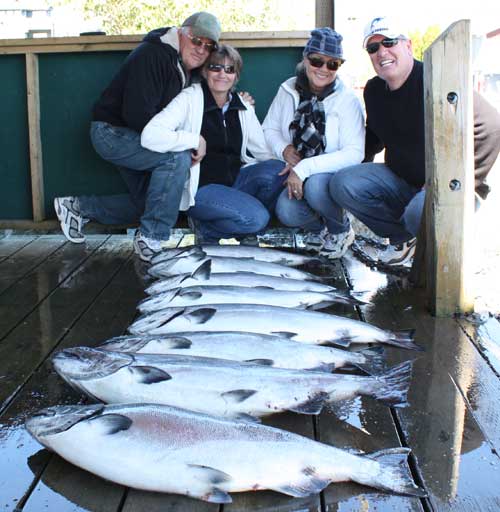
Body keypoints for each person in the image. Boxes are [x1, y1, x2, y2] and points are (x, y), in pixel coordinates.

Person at [329, 16, 500, 267]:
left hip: (450, 188)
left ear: (407, 45)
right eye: (373, 48)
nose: (382, 52)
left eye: (389, 42)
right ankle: (404, 241)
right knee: (343, 183)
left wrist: (460, 181)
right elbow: (374, 136)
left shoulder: (436, 80)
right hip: (402, 180)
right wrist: (344, 166)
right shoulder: (374, 89)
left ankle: (435, 254)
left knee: (417, 213)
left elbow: (491, 126)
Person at [53, 12, 221, 262]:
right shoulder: (154, 55)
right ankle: (151, 239)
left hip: (134, 135)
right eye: (197, 41)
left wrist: (239, 99)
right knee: (175, 159)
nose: (201, 50)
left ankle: (76, 208)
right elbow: (137, 116)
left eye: (209, 47)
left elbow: (210, 91)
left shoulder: (181, 64)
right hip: (113, 133)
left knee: (157, 202)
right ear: (181, 32)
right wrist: (189, 140)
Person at [141, 44, 284, 245]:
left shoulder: (242, 107)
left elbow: (263, 152)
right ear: (205, 71)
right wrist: (194, 140)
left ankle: (237, 225)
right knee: (257, 219)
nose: (222, 74)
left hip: (235, 183)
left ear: (236, 76)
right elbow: (150, 135)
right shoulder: (190, 98)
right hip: (201, 189)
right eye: (215, 67)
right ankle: (208, 229)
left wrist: (294, 172)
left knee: (277, 170)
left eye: (229, 69)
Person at [262, 27, 365, 259]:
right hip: (295, 170)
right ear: (305, 59)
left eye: (332, 64)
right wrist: (285, 149)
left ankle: (340, 229)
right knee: (286, 210)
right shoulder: (287, 89)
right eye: (317, 61)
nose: (323, 69)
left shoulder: (347, 99)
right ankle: (320, 231)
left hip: (328, 177)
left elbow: (354, 153)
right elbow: (268, 128)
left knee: (316, 186)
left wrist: (304, 168)